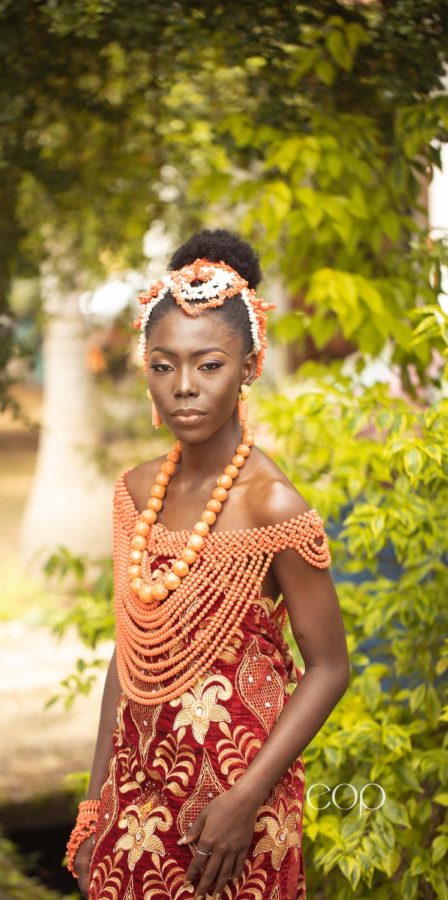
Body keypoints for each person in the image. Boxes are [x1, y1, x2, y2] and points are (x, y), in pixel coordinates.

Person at [65, 228, 350, 900]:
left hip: (238, 805)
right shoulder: (136, 493)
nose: (184, 388)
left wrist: (246, 799)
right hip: (135, 791)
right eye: (164, 366)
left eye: (209, 365)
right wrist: (93, 801)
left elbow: (330, 667)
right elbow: (130, 650)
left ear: (249, 368)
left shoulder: (271, 503)